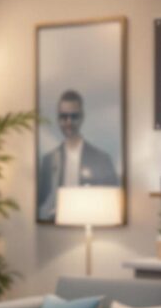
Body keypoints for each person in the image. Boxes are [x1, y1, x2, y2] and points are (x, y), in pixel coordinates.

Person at [37, 90, 119, 222]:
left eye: (74, 116)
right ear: (58, 119)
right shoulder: (48, 160)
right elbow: (41, 205)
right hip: (54, 231)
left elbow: (114, 205)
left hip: (91, 225)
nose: (68, 122)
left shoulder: (102, 160)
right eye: (63, 117)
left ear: (82, 117)